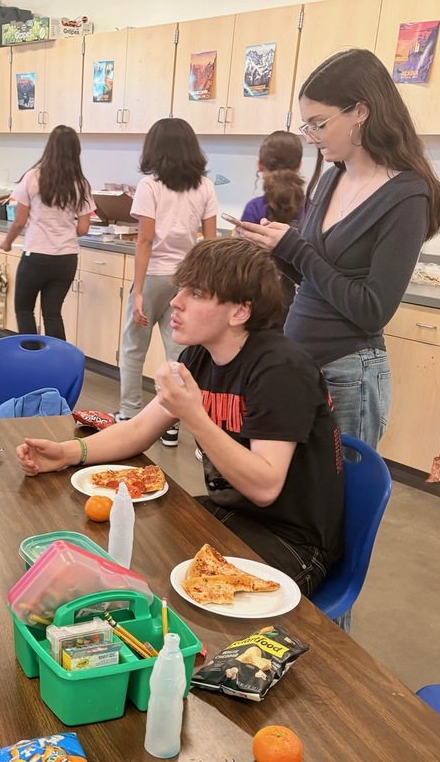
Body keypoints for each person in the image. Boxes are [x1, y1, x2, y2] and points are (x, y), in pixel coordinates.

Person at [17, 237, 343, 594]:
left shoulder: (281, 370)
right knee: (123, 557)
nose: (175, 301)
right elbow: (140, 429)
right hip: (231, 515)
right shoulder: (200, 356)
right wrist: (66, 453)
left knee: (160, 589)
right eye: (181, 288)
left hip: (290, 540)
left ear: (239, 312)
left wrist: (195, 416)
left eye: (197, 293)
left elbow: (265, 487)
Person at [239, 49, 440, 448]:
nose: (312, 137)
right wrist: (276, 251)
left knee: (338, 502)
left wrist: (297, 248)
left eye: (319, 124)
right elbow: (314, 280)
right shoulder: (329, 178)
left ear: (360, 110)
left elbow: (371, 309)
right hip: (302, 362)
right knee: (301, 498)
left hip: (349, 374)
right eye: (307, 126)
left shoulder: (407, 195)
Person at [117, 117, 218, 448]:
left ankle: (130, 416)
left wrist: (139, 291)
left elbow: (144, 241)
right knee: (179, 354)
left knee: (134, 347)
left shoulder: (150, 186)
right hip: (188, 278)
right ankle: (170, 424)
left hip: (155, 276)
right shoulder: (205, 185)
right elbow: (211, 240)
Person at [0, 125, 95, 339]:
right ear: (75, 152)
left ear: (49, 148)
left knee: (24, 310)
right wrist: (64, 231)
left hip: (36, 257)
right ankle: (59, 364)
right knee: (52, 314)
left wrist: (6, 243)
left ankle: (32, 361)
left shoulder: (33, 178)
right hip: (67, 259)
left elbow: (19, 222)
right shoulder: (81, 184)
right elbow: (83, 228)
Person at [240, 130, 306, 321]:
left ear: (259, 164)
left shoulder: (254, 209)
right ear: (299, 166)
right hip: (301, 303)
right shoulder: (315, 208)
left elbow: (241, 262)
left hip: (258, 300)